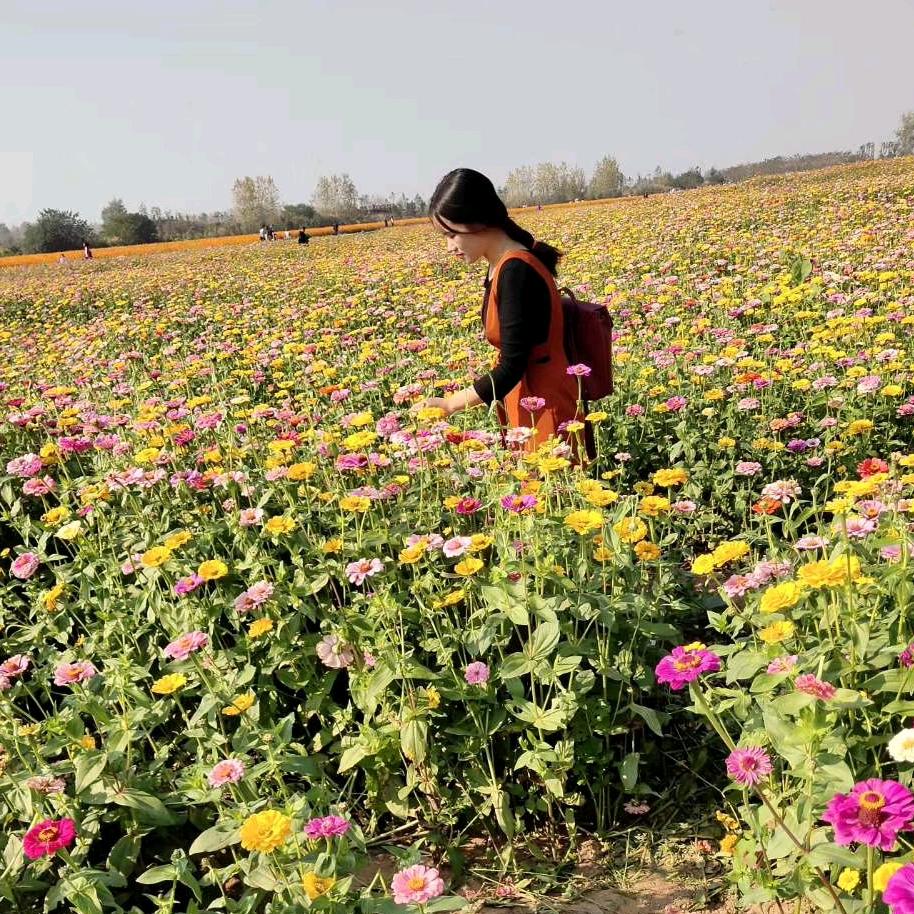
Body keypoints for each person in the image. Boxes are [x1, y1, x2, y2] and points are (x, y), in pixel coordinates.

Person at [415, 167, 584, 457]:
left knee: (554, 480)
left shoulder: (515, 270)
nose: (449, 247)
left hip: (544, 404)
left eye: (452, 234)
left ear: (479, 221)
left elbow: (512, 366)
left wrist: (450, 404)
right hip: (528, 399)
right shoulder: (502, 264)